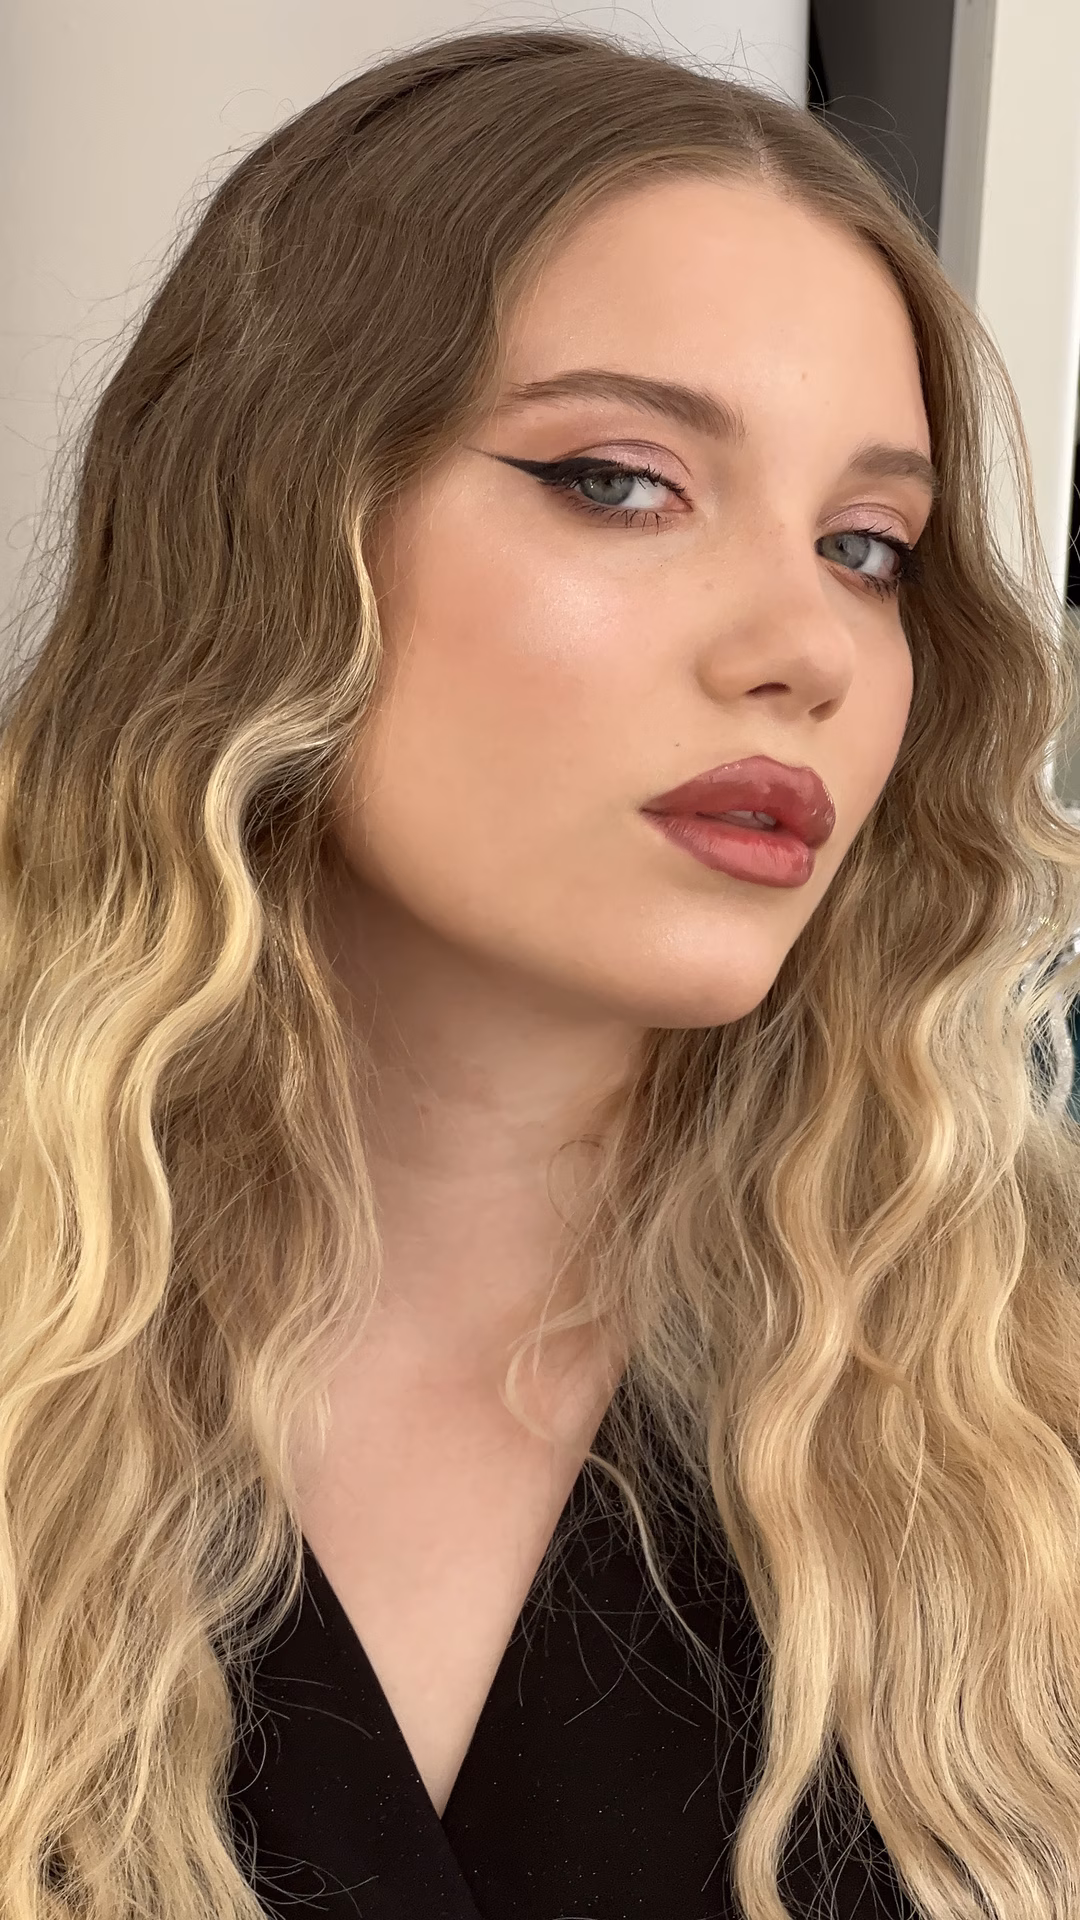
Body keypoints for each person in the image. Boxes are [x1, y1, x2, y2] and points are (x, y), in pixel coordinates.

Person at [3, 23, 1080, 1920]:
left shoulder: (1025, 1411)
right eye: (618, 481)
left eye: (866, 546)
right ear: (268, 520)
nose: (806, 648)